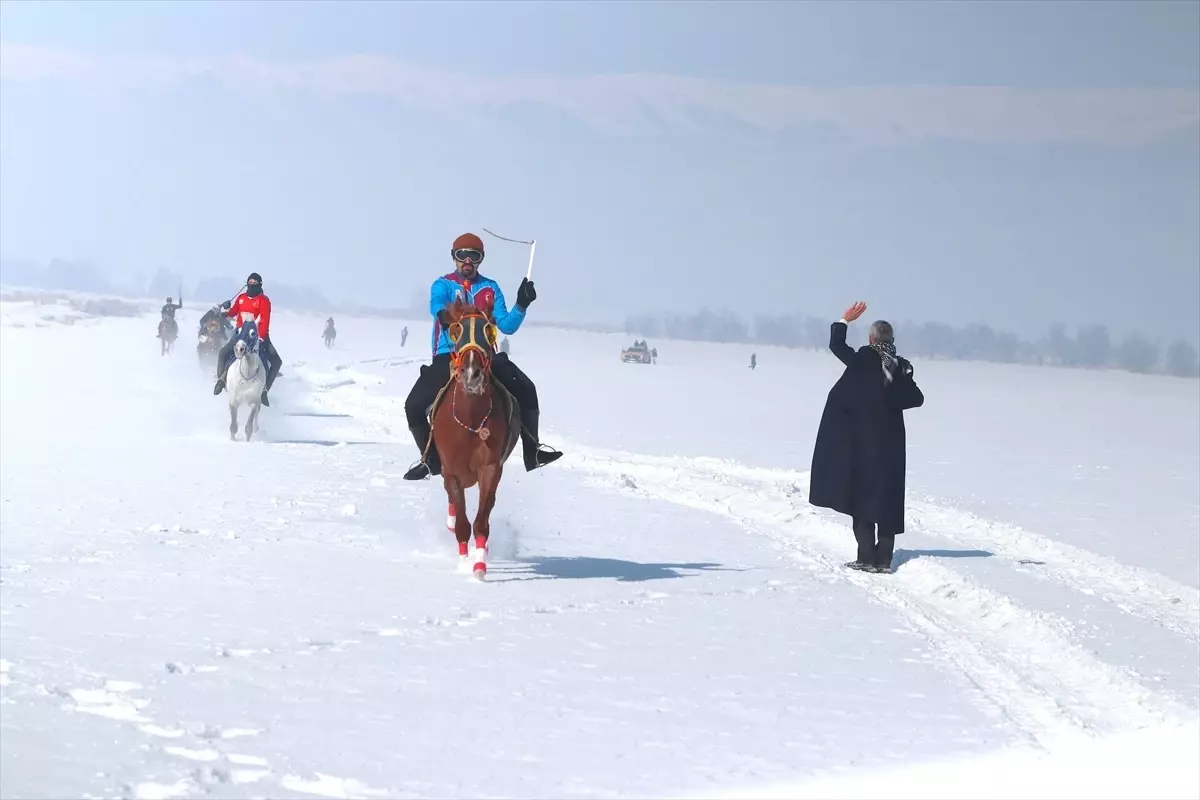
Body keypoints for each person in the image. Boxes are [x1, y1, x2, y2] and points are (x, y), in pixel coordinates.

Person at [402, 232, 563, 480]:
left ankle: (533, 452)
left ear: (480, 259)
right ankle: (431, 461)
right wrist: (447, 319)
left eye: (473, 256)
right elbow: (436, 306)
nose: (467, 261)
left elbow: (507, 326)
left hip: (485, 356)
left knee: (527, 388)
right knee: (413, 406)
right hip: (450, 356)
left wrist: (522, 304)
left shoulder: (490, 287)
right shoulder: (443, 284)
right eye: (462, 255)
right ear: (454, 258)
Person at [808, 301, 924, 574]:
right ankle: (883, 560)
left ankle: (865, 558)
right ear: (891, 340)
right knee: (887, 497)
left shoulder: (862, 360)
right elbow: (915, 399)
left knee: (861, 496)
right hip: (891, 446)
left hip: (861, 445)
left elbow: (837, 346)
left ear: (871, 339)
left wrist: (844, 321)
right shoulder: (900, 366)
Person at [212, 272, 282, 406]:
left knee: (276, 361)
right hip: (239, 334)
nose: (252, 285)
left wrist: (260, 338)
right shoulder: (242, 298)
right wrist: (224, 314)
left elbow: (265, 320)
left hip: (258, 337)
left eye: (255, 284)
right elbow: (234, 311)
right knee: (223, 353)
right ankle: (221, 380)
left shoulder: (264, 301)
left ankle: (264, 390)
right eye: (250, 283)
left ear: (260, 285)